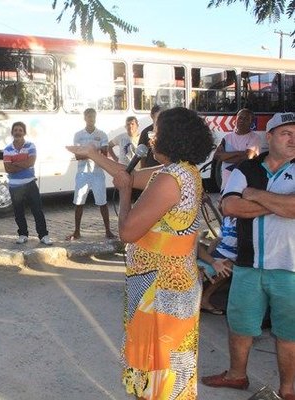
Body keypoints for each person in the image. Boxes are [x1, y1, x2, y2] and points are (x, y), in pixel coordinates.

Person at [67, 107, 215, 399]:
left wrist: (123, 194)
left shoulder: (169, 180)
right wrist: (94, 155)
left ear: (172, 137)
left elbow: (128, 232)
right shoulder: (183, 171)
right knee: (171, 363)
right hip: (170, 284)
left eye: (157, 131)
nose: (151, 135)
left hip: (160, 289)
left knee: (159, 365)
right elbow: (130, 175)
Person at [201, 112, 295, 400]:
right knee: (240, 324)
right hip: (247, 264)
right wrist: (282, 203)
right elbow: (230, 207)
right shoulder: (246, 169)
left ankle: (288, 390)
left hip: (289, 267)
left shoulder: (249, 180)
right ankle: (236, 376)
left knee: (288, 333)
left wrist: (254, 194)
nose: (293, 138)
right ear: (269, 137)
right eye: (285, 133)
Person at [67, 108, 115, 241]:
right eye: (88, 116)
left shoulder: (102, 134)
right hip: (82, 173)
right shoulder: (78, 135)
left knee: (102, 202)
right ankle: (76, 231)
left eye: (93, 116)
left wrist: (87, 152)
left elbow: (104, 154)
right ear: (84, 118)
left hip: (97, 172)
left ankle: (108, 230)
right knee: (79, 202)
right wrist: (94, 152)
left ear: (95, 118)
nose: (91, 119)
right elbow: (77, 155)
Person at [3, 121, 52, 245]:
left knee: (37, 210)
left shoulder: (31, 146)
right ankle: (23, 234)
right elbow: (8, 169)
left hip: (30, 184)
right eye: (15, 130)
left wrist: (15, 163)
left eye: (20, 130)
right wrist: (23, 164)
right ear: (12, 133)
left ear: (24, 132)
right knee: (18, 212)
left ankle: (43, 235)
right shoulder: (7, 149)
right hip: (15, 186)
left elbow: (30, 163)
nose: (18, 132)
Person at [196, 215, 236, 315]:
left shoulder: (243, 221)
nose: (220, 205)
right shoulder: (226, 219)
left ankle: (204, 299)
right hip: (216, 254)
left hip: (229, 258)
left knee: (227, 267)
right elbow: (217, 240)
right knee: (197, 269)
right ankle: (194, 302)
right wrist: (209, 257)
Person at [213, 108, 260, 189]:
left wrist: (225, 158)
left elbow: (248, 157)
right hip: (226, 182)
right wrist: (239, 153)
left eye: (246, 119)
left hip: (244, 182)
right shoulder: (226, 138)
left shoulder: (254, 138)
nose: (242, 121)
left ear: (251, 122)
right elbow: (217, 156)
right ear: (236, 119)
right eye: (240, 118)